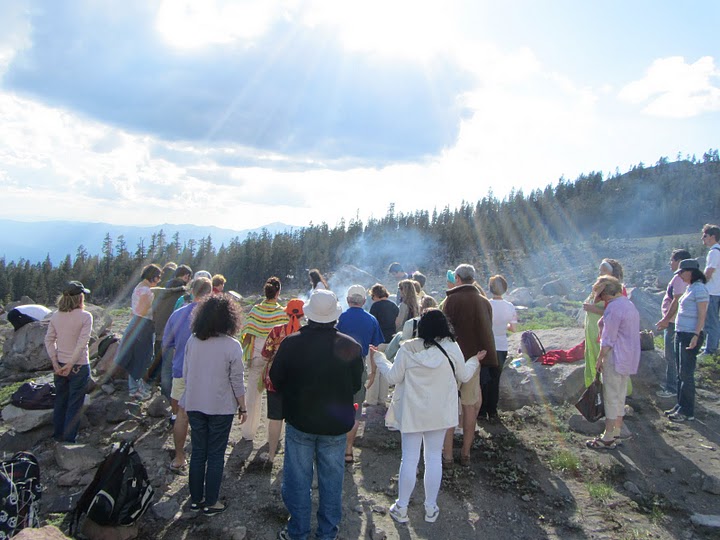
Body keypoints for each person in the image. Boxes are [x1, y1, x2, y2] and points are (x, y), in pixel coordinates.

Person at [371, 309, 483, 524]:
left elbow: (393, 377)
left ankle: (401, 507)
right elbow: (464, 375)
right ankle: (431, 507)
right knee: (433, 458)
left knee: (409, 459)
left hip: (412, 412)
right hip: (440, 412)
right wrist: (474, 360)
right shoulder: (451, 347)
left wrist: (379, 357)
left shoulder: (407, 348)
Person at [270, 289, 363, 540]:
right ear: (335, 316)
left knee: (298, 479)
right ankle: (327, 533)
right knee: (332, 481)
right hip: (335, 424)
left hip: (300, 420)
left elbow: (276, 380)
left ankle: (297, 531)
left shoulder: (291, 343)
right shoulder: (350, 345)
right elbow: (356, 385)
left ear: (308, 315)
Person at [181, 294, 247, 515]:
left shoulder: (193, 340)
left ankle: (195, 500)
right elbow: (237, 380)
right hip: (220, 407)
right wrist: (243, 406)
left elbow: (186, 373)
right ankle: (211, 502)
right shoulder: (232, 346)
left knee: (199, 452)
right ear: (230, 319)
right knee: (216, 454)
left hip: (194, 403)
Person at [441, 263, 497, 466]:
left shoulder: (450, 300)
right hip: (475, 360)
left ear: (457, 278)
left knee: (448, 406)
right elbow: (486, 331)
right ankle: (465, 453)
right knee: (470, 406)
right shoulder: (484, 302)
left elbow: (444, 331)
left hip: (451, 362)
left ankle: (447, 455)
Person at [163, 277, 212, 472]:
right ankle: (204, 459)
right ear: (210, 293)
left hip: (181, 370)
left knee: (180, 415)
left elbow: (166, 343)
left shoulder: (177, 315)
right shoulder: (214, 316)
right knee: (206, 416)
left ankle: (179, 457)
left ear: (192, 291)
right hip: (207, 374)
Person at [586, 276, 640, 449]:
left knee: (610, 395)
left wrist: (600, 357)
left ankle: (608, 435)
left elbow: (608, 338)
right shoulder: (628, 305)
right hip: (628, 356)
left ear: (606, 294)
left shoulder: (614, 308)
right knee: (620, 394)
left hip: (615, 356)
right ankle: (616, 432)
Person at [336, 285, 384, 463]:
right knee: (355, 408)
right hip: (359, 366)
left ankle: (335, 445)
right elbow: (374, 349)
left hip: (338, 366)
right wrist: (373, 372)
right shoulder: (371, 319)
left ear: (348, 300)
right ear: (364, 301)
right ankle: (348, 450)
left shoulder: (340, 318)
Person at [44, 281, 93, 443]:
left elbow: (49, 340)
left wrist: (55, 363)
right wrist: (71, 364)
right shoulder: (86, 316)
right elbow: (82, 343)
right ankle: (69, 439)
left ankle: (58, 435)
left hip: (60, 364)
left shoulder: (56, 316)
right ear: (80, 298)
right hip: (78, 366)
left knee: (60, 401)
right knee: (75, 404)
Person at [240, 277, 288, 442]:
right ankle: (274, 434)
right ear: (278, 292)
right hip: (275, 358)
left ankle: (248, 432)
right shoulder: (282, 313)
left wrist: (243, 354)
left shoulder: (255, 310)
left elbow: (246, 334)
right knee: (274, 397)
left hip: (256, 355)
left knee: (253, 395)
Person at [260, 299, 305, 464]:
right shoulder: (306, 333)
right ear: (303, 313)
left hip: (274, 380)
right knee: (295, 420)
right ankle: (293, 458)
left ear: (286, 312)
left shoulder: (277, 331)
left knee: (275, 417)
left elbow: (265, 354)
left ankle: (271, 454)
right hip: (299, 382)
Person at [665, 259, 709, 422]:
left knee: (686, 373)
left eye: (682, 272)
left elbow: (702, 314)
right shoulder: (690, 288)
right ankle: (679, 405)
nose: (680, 276)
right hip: (681, 332)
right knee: (680, 372)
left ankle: (687, 411)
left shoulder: (699, 289)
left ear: (690, 272)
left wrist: (696, 335)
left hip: (690, 334)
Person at [115, 264, 162, 401]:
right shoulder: (146, 291)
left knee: (138, 356)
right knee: (143, 356)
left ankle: (135, 386)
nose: (159, 280)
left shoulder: (139, 287)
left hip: (137, 323)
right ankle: (135, 389)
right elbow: (142, 311)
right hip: (143, 324)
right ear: (152, 276)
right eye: (158, 277)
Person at [582, 258, 626, 388]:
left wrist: (592, 309)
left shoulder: (618, 289)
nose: (601, 274)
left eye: (604, 271)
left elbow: (617, 312)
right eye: (601, 271)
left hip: (604, 331)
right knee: (593, 357)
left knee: (606, 361)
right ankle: (596, 389)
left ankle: (611, 390)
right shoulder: (599, 286)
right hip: (592, 331)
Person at [152, 264, 192, 399]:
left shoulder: (161, 289)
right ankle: (173, 399)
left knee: (164, 367)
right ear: (186, 276)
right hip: (174, 334)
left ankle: (163, 396)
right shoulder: (182, 294)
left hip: (158, 331)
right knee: (174, 367)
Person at [655, 250, 691, 398]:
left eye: (672, 260)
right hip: (675, 321)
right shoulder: (683, 278)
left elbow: (677, 300)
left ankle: (672, 388)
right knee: (674, 355)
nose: (670, 263)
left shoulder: (679, 278)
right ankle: (675, 386)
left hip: (673, 322)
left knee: (671, 355)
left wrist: (666, 319)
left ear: (679, 261)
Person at [483, 275, 517, 422]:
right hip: (502, 344)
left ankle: (481, 410)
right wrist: (504, 326)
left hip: (487, 343)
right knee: (496, 379)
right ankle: (493, 411)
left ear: (490, 288)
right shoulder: (510, 306)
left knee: (484, 378)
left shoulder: (486, 304)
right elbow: (513, 328)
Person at [701, 224, 720, 356]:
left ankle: (710, 349)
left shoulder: (714, 252)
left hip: (712, 291)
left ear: (712, 237)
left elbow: (709, 272)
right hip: (717, 290)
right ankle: (712, 344)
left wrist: (700, 284)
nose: (703, 239)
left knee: (710, 321)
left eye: (705, 236)